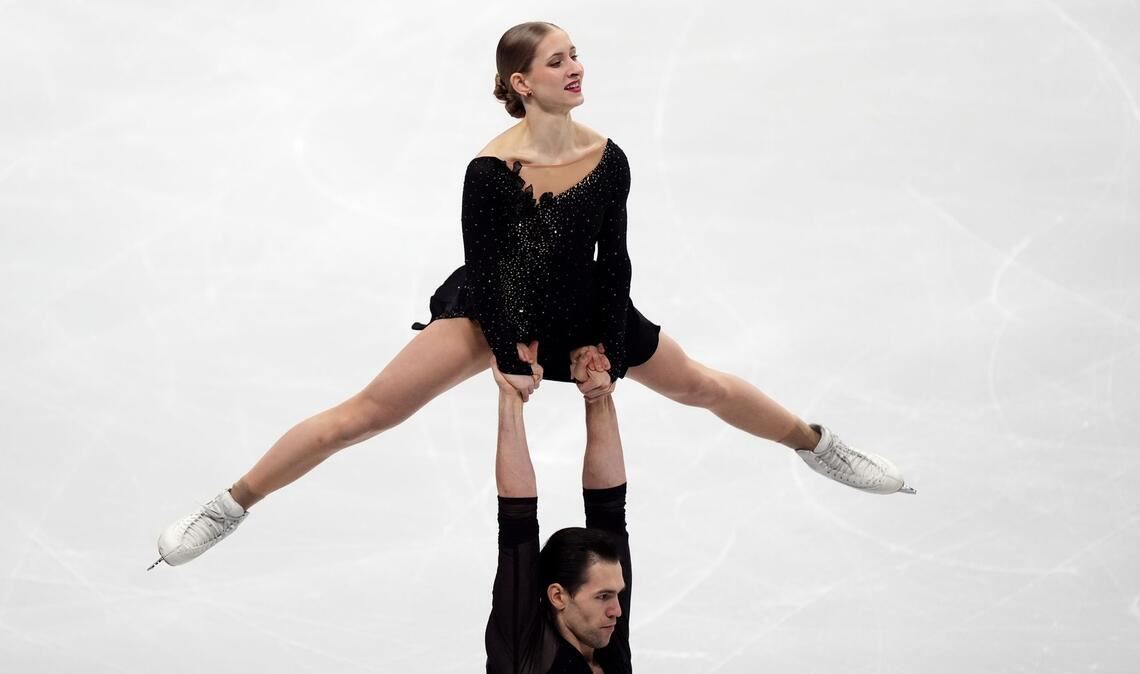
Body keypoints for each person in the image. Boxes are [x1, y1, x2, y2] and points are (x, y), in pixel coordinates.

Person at [149, 21, 913, 571]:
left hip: (585, 305)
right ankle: (231, 504)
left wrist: (605, 344)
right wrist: (513, 351)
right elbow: (488, 270)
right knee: (364, 415)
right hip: (494, 311)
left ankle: (820, 447)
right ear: (522, 83)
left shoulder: (608, 158)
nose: (576, 67)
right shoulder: (489, 170)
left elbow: (614, 258)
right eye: (558, 61)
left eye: (577, 55)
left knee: (701, 384)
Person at [488, 343, 632, 673]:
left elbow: (609, 508)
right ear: (558, 596)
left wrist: (599, 393)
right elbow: (516, 519)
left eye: (616, 595)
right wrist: (510, 394)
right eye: (604, 596)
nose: (617, 611)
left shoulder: (603, 640)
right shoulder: (526, 655)